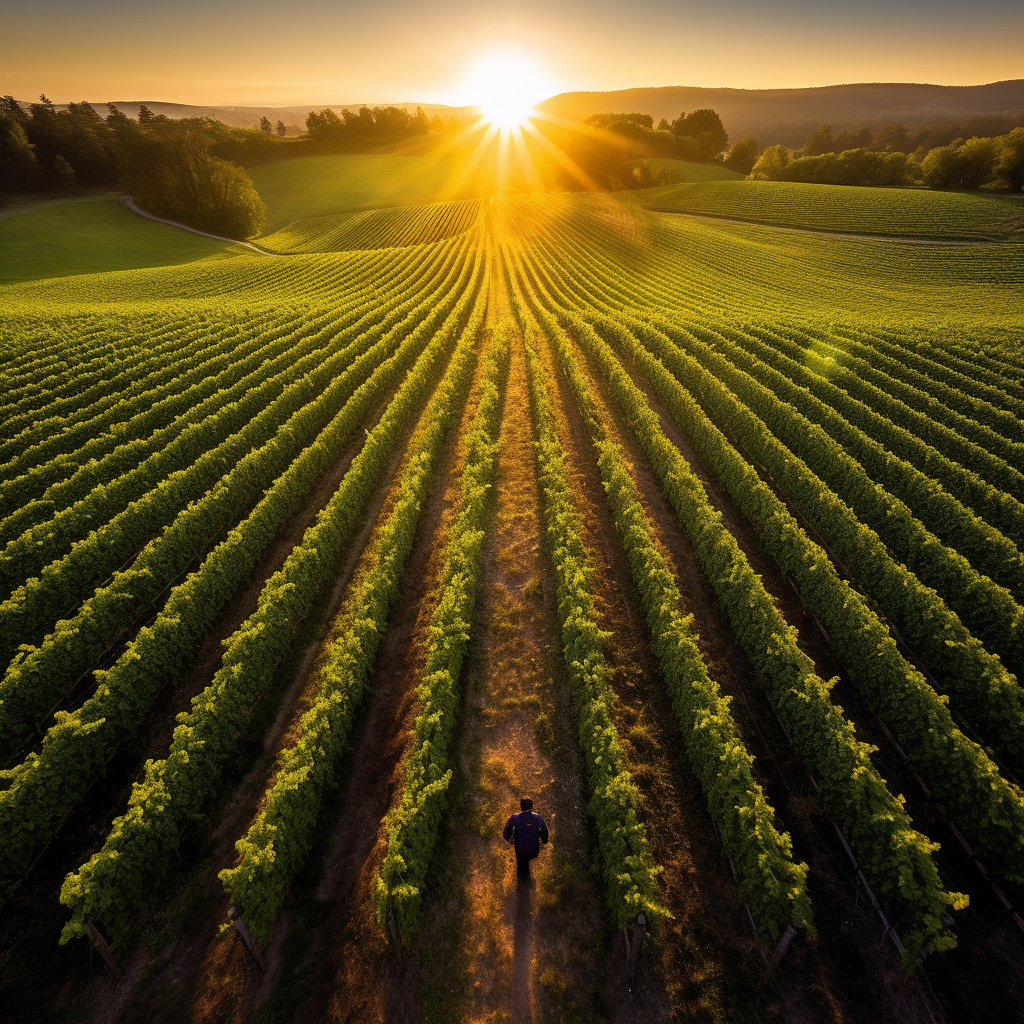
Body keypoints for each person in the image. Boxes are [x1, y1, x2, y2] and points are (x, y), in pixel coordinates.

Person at [502, 797, 549, 881]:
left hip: (520, 851)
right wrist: (544, 841)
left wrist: (510, 840)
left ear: (521, 806)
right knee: (528, 862)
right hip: (534, 851)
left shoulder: (515, 817)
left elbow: (505, 832)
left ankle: (522, 887)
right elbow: (544, 831)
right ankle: (531, 883)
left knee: (521, 866)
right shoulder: (538, 817)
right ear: (531, 806)